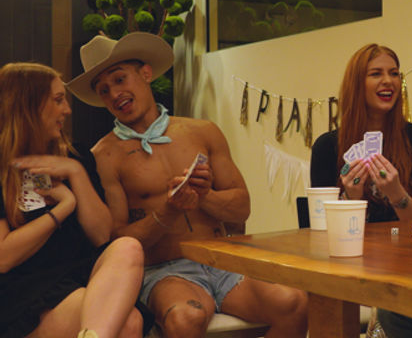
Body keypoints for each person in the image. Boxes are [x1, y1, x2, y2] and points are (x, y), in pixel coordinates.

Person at [66, 33, 308, 338]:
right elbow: (116, 241)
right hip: (165, 272)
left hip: (224, 261)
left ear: (145, 73)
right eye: (104, 90)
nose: (115, 94)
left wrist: (203, 197)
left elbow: (241, 210)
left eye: (119, 79)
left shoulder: (203, 131)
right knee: (185, 318)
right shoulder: (104, 156)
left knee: (294, 302)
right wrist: (167, 211)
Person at [0, 63, 145, 338]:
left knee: (128, 247)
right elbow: (3, 258)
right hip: (24, 293)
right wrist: (64, 208)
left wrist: (76, 174)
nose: (67, 110)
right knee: (129, 323)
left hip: (78, 276)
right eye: (57, 100)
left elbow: (102, 235)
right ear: (28, 106)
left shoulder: (76, 159)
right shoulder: (3, 167)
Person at [311, 43, 412, 224]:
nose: (388, 81)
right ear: (356, 85)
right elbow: (321, 226)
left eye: (394, 73)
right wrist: (351, 197)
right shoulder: (326, 146)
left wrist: (396, 194)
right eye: (376, 74)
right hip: (350, 247)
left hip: (407, 249)